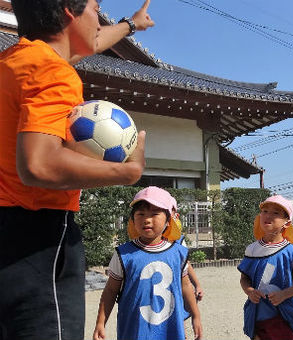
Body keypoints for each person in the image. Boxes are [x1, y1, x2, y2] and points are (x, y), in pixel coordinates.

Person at [0, 1, 154, 339]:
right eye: (96, 9)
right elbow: (39, 164)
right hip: (37, 237)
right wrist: (127, 173)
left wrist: (131, 24)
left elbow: (89, 42)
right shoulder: (53, 71)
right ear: (71, 13)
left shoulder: (16, 61)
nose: (99, 20)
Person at [93, 186, 202, 340]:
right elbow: (110, 290)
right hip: (135, 330)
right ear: (132, 219)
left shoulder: (178, 253)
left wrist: (196, 316)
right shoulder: (123, 254)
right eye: (140, 214)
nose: (147, 219)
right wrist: (100, 322)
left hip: (169, 331)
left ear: (168, 219)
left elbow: (186, 286)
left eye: (155, 214)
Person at [238, 195, 293, 340]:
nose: (268, 215)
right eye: (264, 211)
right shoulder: (252, 250)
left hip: (282, 316)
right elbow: (244, 278)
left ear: (286, 223)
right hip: (257, 315)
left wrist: (284, 294)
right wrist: (249, 291)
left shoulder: (292, 253)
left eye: (276, 213)